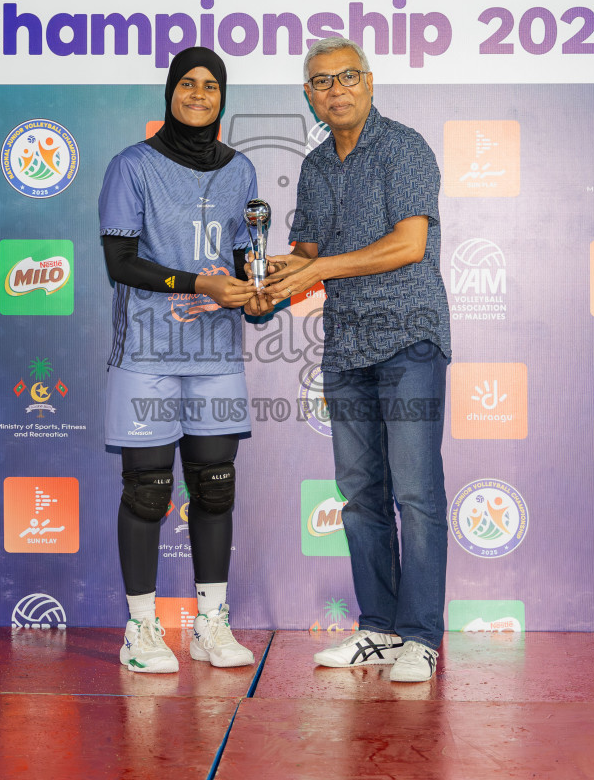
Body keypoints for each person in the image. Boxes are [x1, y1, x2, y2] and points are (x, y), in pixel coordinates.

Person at [262, 36, 452, 683]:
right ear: (309, 97)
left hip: (409, 341)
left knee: (417, 494)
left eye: (347, 77)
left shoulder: (405, 148)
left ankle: (421, 639)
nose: (336, 89)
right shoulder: (315, 167)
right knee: (362, 496)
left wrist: (314, 267)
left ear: (369, 83)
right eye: (321, 81)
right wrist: (247, 282)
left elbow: (407, 244)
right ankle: (378, 631)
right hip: (345, 346)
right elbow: (306, 254)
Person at [99, 46, 272, 674]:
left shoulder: (241, 171)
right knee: (148, 490)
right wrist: (199, 285)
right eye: (187, 84)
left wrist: (256, 287)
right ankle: (141, 629)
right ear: (170, 91)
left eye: (211, 86)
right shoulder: (131, 166)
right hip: (146, 350)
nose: (199, 95)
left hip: (217, 350)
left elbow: (244, 252)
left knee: (214, 486)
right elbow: (120, 264)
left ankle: (210, 623)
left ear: (223, 97)